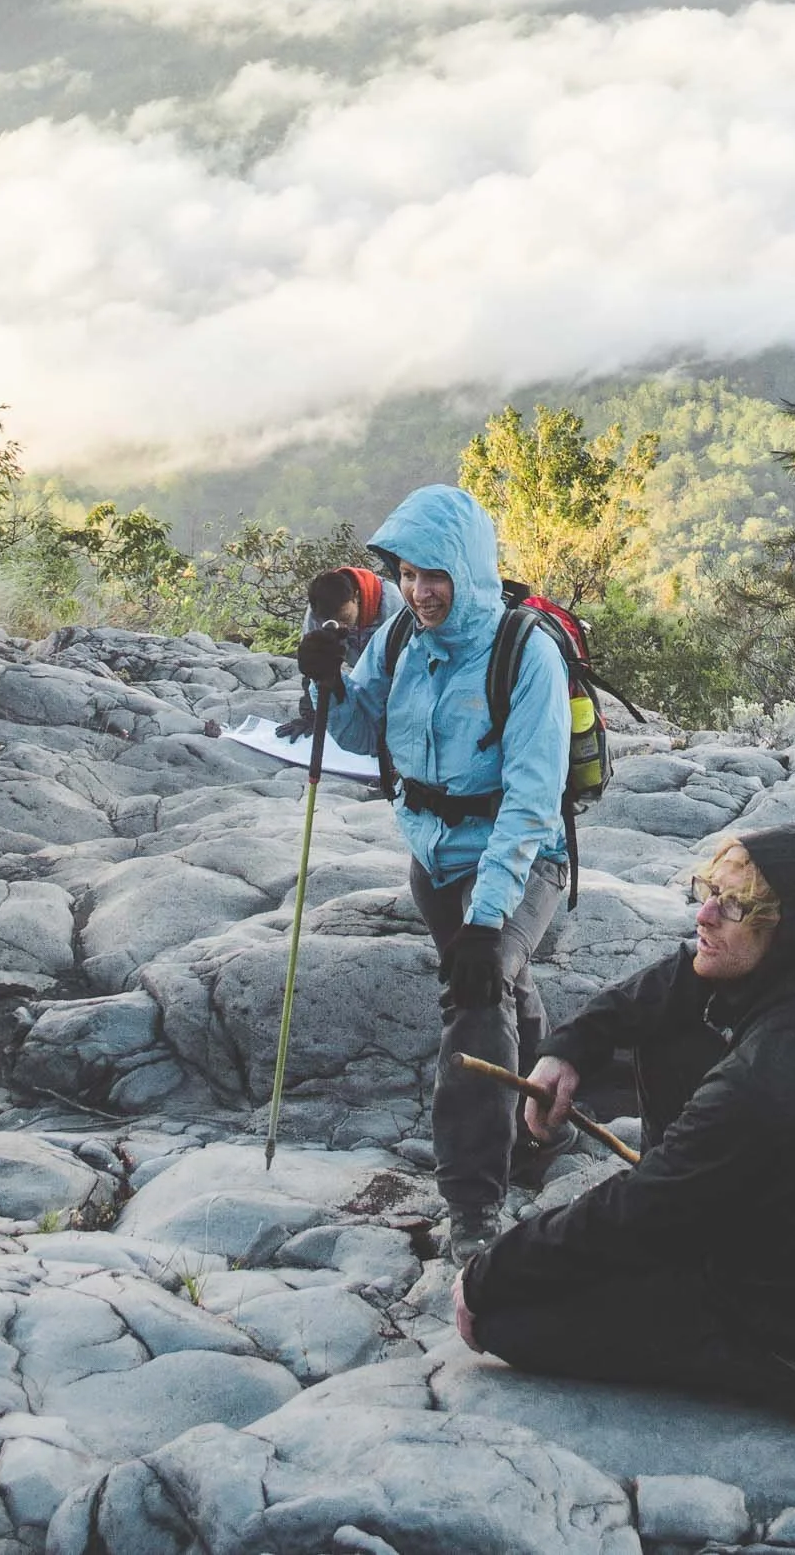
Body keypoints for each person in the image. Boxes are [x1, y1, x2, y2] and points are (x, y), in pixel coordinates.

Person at [452, 824, 795, 1405]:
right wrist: (566, 1051)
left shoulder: (776, 1079)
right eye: (709, 891)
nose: (705, 915)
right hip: (775, 1213)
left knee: (503, 1322)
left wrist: (488, 1274)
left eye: (736, 906)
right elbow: (668, 982)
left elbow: (641, 1205)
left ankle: (772, 1363)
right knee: (671, 1023)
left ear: (788, 930)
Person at [318, 483, 572, 1261]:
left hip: (520, 863)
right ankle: (539, 1128)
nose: (420, 590)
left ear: (467, 568)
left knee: (479, 993)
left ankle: (472, 1208)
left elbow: (532, 802)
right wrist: (326, 678)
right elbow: (362, 733)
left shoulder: (524, 653)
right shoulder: (400, 639)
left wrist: (489, 918)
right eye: (407, 574)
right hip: (434, 863)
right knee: (506, 991)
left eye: (435, 574)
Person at [288, 564, 403, 735]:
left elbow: (404, 664)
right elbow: (315, 666)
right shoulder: (316, 612)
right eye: (331, 622)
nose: (341, 627)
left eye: (344, 618)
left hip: (393, 670)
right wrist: (311, 715)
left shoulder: (391, 603)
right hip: (358, 667)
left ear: (355, 597)